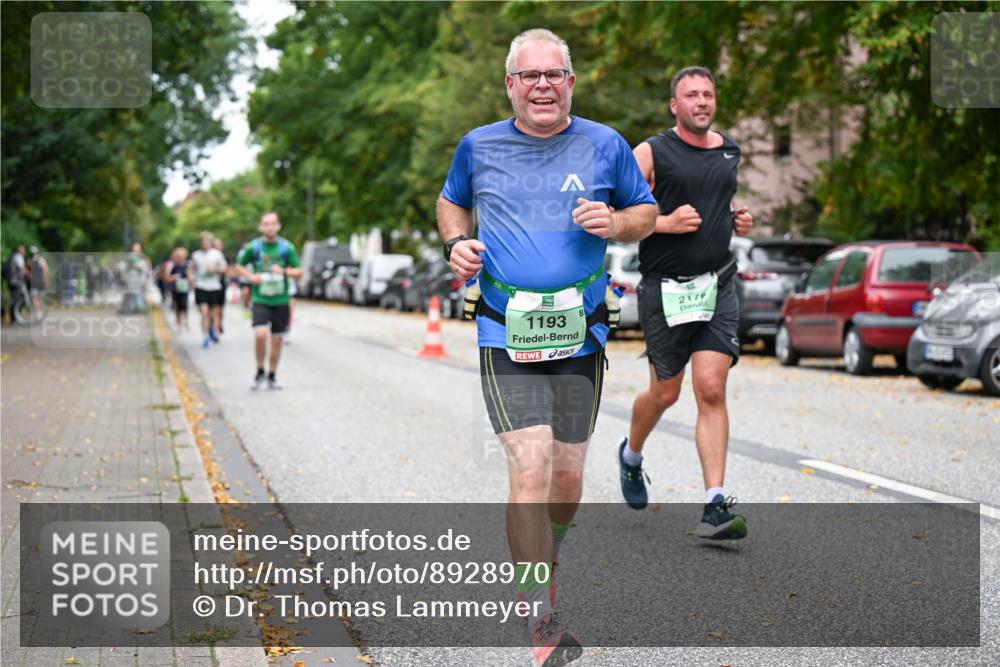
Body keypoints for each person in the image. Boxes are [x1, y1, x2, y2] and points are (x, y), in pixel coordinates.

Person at [438, 29, 657, 667]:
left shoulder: (605, 144)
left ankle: (545, 553)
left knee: (566, 474)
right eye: (528, 75)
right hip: (506, 326)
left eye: (553, 74)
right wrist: (456, 245)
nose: (541, 85)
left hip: (581, 328)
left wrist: (616, 223)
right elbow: (451, 203)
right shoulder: (478, 146)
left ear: (570, 82)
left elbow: (644, 213)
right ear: (510, 84)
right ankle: (541, 617)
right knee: (530, 467)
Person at [617, 66, 754, 540]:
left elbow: (717, 202)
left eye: (708, 94)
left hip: (717, 284)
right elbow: (617, 215)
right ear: (674, 105)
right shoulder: (651, 151)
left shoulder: (729, 150)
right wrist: (664, 223)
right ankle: (631, 454)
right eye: (691, 95)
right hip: (664, 289)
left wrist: (738, 220)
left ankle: (715, 505)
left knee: (711, 388)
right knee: (666, 392)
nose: (701, 102)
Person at [236, 212, 302, 390]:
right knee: (260, 334)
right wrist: (251, 277)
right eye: (266, 224)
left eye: (273, 224)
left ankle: (272, 375)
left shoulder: (286, 247)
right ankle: (259, 371)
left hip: (280, 300)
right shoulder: (254, 247)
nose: (270, 227)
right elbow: (238, 266)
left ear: (278, 226)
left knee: (277, 340)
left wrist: (284, 272)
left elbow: (299, 271)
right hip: (260, 298)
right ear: (260, 227)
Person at [189, 232, 227, 348]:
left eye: (207, 242)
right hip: (201, 286)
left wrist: (215, 270)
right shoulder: (195, 255)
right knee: (204, 312)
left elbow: (225, 269)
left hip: (214, 286)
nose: (205, 244)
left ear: (210, 243)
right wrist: (191, 279)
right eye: (203, 242)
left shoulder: (217, 254)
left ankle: (214, 332)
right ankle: (205, 335)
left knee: (214, 313)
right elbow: (191, 269)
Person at [165, 248, 191, 330]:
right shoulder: (172, 266)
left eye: (181, 256)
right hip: (175, 288)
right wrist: (173, 278)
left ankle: (185, 322)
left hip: (184, 288)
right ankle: (178, 322)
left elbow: (190, 276)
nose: (180, 258)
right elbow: (166, 277)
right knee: (177, 306)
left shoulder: (187, 265)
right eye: (178, 256)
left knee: (185, 305)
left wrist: (188, 280)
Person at [4, 244, 27, 323]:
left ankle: (15, 318)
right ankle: (14, 319)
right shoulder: (18, 257)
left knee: (16, 300)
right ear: (20, 250)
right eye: (23, 249)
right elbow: (21, 268)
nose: (24, 251)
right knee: (16, 300)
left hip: (12, 281)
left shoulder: (13, 256)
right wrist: (29, 274)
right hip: (15, 282)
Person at [27, 246, 50, 313]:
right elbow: (46, 271)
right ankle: (40, 312)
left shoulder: (31, 260)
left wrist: (46, 280)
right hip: (38, 281)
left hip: (35, 282)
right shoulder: (40, 260)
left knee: (35, 297)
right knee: (39, 297)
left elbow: (45, 271)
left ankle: (38, 312)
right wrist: (46, 281)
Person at [213, 238, 228, 335]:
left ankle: (219, 323)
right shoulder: (209, 256)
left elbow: (226, 270)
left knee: (220, 308)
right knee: (213, 308)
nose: (217, 248)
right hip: (210, 286)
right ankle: (215, 327)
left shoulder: (222, 257)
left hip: (221, 284)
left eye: (219, 246)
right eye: (215, 246)